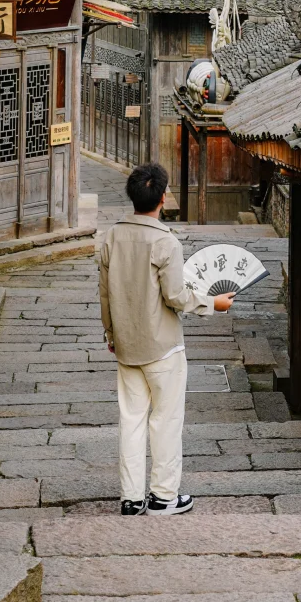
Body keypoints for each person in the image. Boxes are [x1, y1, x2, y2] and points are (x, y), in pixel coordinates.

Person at [99, 162, 234, 515]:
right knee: (166, 420)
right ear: (162, 198)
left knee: (131, 421)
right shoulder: (165, 241)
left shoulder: (111, 237)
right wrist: (213, 304)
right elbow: (175, 296)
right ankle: (163, 497)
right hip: (163, 347)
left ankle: (131, 499)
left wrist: (111, 333)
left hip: (126, 345)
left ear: (132, 197)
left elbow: (105, 294)